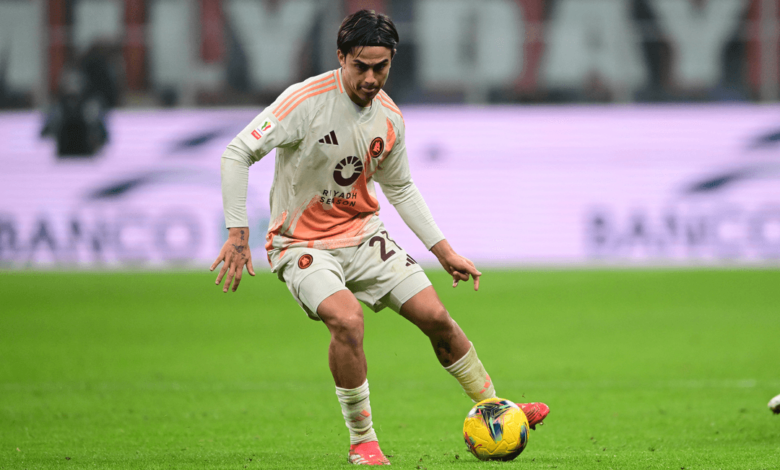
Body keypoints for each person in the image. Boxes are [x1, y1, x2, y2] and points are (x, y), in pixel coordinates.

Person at [211, 10, 549, 465]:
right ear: (341, 57)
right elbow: (237, 153)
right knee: (347, 321)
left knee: (437, 317)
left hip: (364, 236)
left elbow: (400, 187)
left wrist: (443, 250)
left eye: (381, 67)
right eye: (361, 67)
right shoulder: (304, 101)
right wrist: (238, 234)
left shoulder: (389, 117)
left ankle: (495, 407)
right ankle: (362, 441)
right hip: (302, 244)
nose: (371, 78)